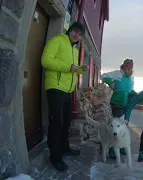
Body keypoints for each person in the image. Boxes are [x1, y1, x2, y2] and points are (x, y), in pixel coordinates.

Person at [41, 21, 89, 171]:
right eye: (75, 31)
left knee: (67, 122)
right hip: (55, 87)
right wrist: (68, 67)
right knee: (57, 123)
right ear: (70, 30)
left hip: (67, 90)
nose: (77, 35)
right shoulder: (57, 40)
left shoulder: (74, 49)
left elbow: (72, 70)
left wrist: (81, 70)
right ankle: (55, 157)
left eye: (80, 34)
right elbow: (45, 61)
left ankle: (64, 148)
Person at [101, 58, 137, 159]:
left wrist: (135, 94)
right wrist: (110, 82)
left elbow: (130, 90)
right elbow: (103, 75)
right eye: (125, 68)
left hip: (126, 103)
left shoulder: (132, 78)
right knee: (116, 126)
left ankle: (120, 146)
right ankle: (113, 149)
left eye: (129, 69)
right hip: (116, 102)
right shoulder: (117, 73)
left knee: (123, 125)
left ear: (131, 69)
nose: (127, 71)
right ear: (123, 67)